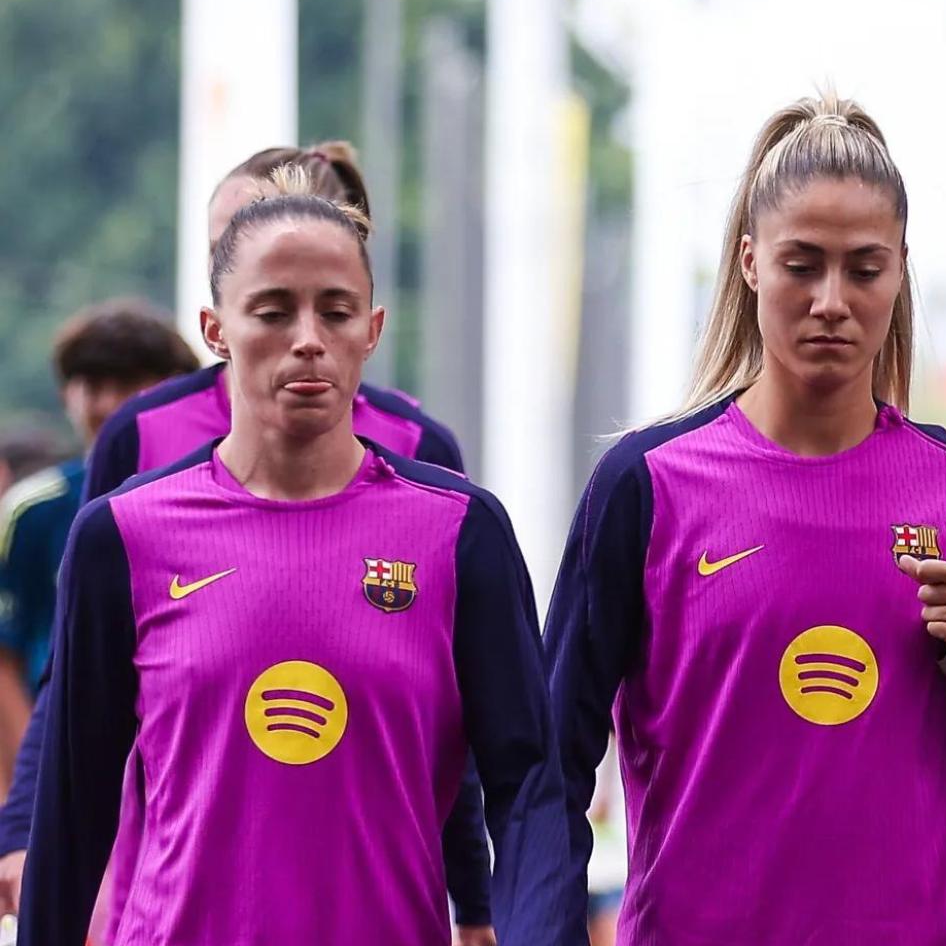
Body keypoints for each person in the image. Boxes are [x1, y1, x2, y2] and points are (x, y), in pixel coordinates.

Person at [545, 93, 946, 945]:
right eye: (802, 264)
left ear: (900, 270)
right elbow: (549, 766)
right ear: (749, 263)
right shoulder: (646, 485)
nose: (831, 300)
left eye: (863, 267)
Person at [18, 168, 571, 946]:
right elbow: (73, 807)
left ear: (372, 330)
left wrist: (520, 924)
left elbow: (527, 785)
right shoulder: (123, 533)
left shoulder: (459, 530)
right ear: (216, 331)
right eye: (273, 311)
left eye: (335, 311)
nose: (308, 338)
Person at [0, 301, 198, 786]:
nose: (108, 404)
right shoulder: (35, 509)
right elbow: (7, 659)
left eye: (129, 385)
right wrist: (36, 794)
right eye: (92, 385)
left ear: (176, 389)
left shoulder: (213, 500)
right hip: (67, 771)